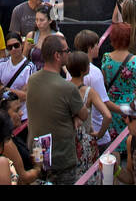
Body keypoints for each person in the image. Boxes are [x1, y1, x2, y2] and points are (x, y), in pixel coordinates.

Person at [25, 34, 89, 184]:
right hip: (60, 158)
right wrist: (75, 116)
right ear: (57, 55)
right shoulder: (67, 88)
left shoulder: (32, 80)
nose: (69, 53)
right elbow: (84, 114)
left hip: (37, 153)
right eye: (66, 51)